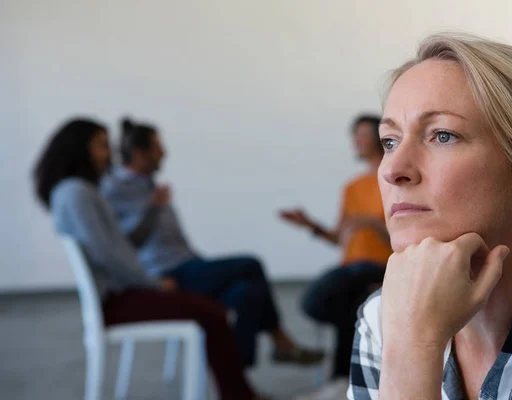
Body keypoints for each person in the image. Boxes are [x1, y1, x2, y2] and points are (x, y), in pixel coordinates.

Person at [349, 33, 512, 400]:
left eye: (442, 135)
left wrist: (413, 349)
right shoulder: (380, 318)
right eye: (390, 141)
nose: (392, 170)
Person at [33, 118, 267, 400]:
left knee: (227, 299)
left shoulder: (75, 191)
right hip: (117, 300)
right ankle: (239, 394)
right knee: (213, 312)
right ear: (76, 149)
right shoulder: (78, 193)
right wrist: (153, 284)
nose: (108, 154)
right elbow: (109, 254)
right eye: (100, 146)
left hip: (120, 294)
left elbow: (119, 246)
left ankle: (240, 388)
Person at [100, 118, 324, 368]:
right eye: (158, 147)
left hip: (188, 264)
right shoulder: (116, 188)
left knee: (246, 293)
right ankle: (280, 342)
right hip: (168, 274)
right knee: (250, 264)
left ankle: (239, 384)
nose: (164, 153)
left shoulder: (146, 184)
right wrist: (152, 208)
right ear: (140, 153)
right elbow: (125, 242)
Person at [279, 115, 392, 394]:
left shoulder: (394, 177)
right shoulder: (352, 187)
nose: (357, 141)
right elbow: (340, 237)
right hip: (352, 269)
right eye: (354, 135)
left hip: (382, 265)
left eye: (362, 134)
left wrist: (371, 223)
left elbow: (406, 234)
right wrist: (311, 226)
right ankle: (345, 379)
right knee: (351, 308)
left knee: (317, 298)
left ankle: (342, 378)